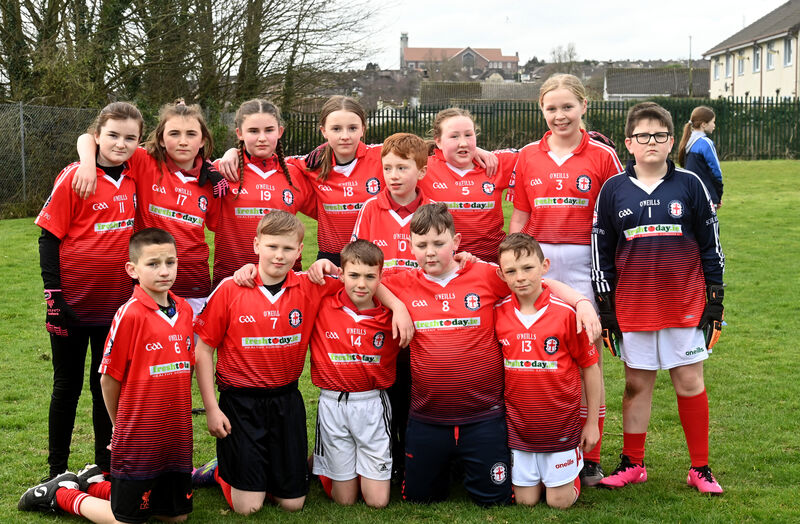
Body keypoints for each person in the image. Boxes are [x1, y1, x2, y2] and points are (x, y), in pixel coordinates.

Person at [377, 203, 600, 506]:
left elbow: (537, 282)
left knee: (495, 499)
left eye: (439, 243)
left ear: (456, 243)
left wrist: (582, 302)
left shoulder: (483, 274)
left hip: (483, 415)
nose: (430, 252)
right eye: (422, 245)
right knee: (420, 499)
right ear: (411, 246)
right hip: (428, 415)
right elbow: (365, 282)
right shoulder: (404, 283)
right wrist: (398, 305)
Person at [592, 102, 725, 494]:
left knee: (689, 380)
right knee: (636, 384)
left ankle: (699, 468)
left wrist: (714, 299)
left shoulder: (689, 184)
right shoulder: (613, 189)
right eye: (643, 136)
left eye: (660, 135)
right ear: (629, 143)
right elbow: (601, 249)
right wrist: (606, 306)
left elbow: (711, 245)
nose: (652, 142)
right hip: (633, 306)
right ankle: (633, 463)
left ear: (671, 141)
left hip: (684, 303)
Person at [18, 228, 196, 523]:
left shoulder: (185, 310)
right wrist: (120, 429)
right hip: (137, 436)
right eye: (153, 264)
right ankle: (60, 494)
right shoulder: (130, 314)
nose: (163, 271)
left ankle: (94, 482)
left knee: (175, 518)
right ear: (132, 269)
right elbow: (108, 379)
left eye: (170, 262)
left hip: (175, 436)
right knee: (126, 520)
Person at [508, 73, 623, 486]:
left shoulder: (604, 156)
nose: (560, 115)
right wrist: (512, 255)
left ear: (584, 107)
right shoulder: (527, 155)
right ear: (542, 110)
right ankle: (537, 441)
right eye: (551, 108)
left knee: (586, 356)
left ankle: (590, 454)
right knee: (540, 353)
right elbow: (520, 214)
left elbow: (614, 214)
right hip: (537, 264)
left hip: (584, 261)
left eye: (567, 107)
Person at [34, 101, 143, 480]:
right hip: (72, 305)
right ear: (97, 137)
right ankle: (56, 472)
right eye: (112, 135)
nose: (120, 143)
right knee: (66, 386)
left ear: (139, 141)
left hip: (116, 306)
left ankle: (106, 466)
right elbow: (48, 240)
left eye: (130, 137)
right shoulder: (75, 176)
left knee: (106, 389)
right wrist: (55, 296)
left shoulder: (134, 177)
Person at [73, 99, 227, 314]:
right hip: (148, 280)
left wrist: (222, 160)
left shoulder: (212, 181)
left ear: (202, 141)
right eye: (174, 134)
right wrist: (87, 164)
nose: (183, 141)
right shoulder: (145, 162)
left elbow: (217, 225)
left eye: (191, 134)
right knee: (151, 344)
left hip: (194, 281)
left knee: (189, 346)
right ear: (161, 139)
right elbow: (89, 137)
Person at [494, 233, 601, 508]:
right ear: (501, 275)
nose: (521, 277)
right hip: (518, 428)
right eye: (511, 271)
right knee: (525, 501)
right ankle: (543, 476)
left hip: (560, 427)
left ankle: (568, 474)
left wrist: (590, 423)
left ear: (545, 266)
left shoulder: (566, 314)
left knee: (559, 502)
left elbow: (591, 369)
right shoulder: (499, 313)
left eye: (528, 268)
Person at [309, 240, 400, 508]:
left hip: (372, 404)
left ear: (381, 278)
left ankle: (334, 462)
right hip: (333, 403)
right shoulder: (323, 303)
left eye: (370, 277)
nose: (361, 284)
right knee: (345, 501)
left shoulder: (390, 315)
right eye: (354, 275)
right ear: (341, 275)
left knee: (378, 502)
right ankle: (323, 462)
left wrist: (401, 309)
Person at [208, 99, 316, 285]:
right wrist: (231, 152)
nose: (262, 138)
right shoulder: (222, 170)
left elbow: (329, 211)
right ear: (239, 134)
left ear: (280, 132)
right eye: (253, 131)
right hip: (231, 281)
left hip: (284, 283)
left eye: (269, 130)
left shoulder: (295, 174)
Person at [419, 108, 517, 263]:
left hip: (492, 263)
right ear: (438, 141)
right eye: (454, 136)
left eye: (468, 135)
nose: (463, 142)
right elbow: (391, 151)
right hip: (444, 264)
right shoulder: (423, 168)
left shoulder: (494, 162)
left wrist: (475, 149)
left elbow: (538, 153)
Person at [351, 132, 435, 269]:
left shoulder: (434, 211)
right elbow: (356, 259)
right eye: (387, 168)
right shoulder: (370, 207)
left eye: (402, 168)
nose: (393, 176)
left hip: (420, 290)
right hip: (378, 289)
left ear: (421, 172)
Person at [678, 106, 723, 209]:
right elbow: (716, 171)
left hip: (690, 194)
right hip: (707, 195)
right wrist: (718, 196)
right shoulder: (706, 143)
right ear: (704, 124)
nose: (714, 125)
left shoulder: (687, 141)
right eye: (713, 122)